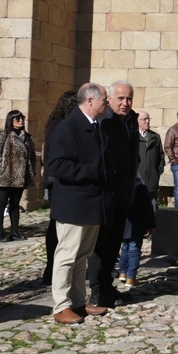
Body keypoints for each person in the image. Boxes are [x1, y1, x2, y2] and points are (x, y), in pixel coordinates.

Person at [46, 83, 112, 325]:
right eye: (105, 98)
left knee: (82, 255)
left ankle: (77, 301)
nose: (108, 102)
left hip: (93, 203)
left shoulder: (96, 126)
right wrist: (93, 172)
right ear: (90, 101)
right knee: (66, 255)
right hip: (74, 203)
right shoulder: (68, 127)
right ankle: (61, 305)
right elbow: (56, 165)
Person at [88, 80, 140, 309]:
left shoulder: (131, 121)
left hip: (124, 193)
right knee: (102, 245)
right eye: (120, 98)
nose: (125, 103)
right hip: (107, 193)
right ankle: (97, 291)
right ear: (109, 99)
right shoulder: (104, 121)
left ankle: (107, 286)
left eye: (129, 98)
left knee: (114, 244)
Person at [41, 90, 79, 285]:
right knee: (57, 226)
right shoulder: (61, 125)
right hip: (57, 181)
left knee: (55, 225)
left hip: (53, 178)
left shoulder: (54, 123)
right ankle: (53, 269)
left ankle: (52, 268)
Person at [0, 110, 36, 242]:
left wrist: (31, 171)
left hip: (20, 176)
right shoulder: (3, 134)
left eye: (22, 118)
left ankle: (14, 232)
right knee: (1, 203)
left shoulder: (27, 137)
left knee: (15, 204)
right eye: (17, 118)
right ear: (11, 120)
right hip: (4, 176)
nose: (21, 120)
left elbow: (32, 156)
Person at [118, 176, 156, 287]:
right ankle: (131, 277)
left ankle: (122, 272)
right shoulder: (140, 187)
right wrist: (150, 225)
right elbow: (147, 209)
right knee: (134, 250)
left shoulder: (119, 185)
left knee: (125, 248)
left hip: (123, 225)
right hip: (136, 225)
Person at [137, 110, 165, 211]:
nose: (147, 121)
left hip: (152, 179)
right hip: (137, 180)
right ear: (138, 121)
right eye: (144, 119)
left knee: (152, 208)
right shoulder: (134, 136)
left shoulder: (155, 137)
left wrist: (158, 171)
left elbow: (161, 155)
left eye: (148, 119)